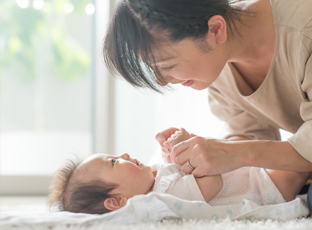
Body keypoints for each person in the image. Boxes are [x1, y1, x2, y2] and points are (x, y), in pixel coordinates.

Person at [103, 0, 312, 184]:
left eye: (166, 66)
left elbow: (251, 151)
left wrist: (236, 153)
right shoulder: (217, 65)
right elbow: (253, 135)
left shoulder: (304, 29)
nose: (162, 81)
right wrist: (198, 150)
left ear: (215, 30)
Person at [48, 128, 310, 214]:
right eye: (114, 162)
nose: (124, 155)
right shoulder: (165, 197)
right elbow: (212, 183)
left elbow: (183, 166)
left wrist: (176, 147)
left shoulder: (157, 177)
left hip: (254, 170)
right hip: (264, 187)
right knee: (299, 159)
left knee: (294, 150)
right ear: (117, 201)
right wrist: (187, 153)